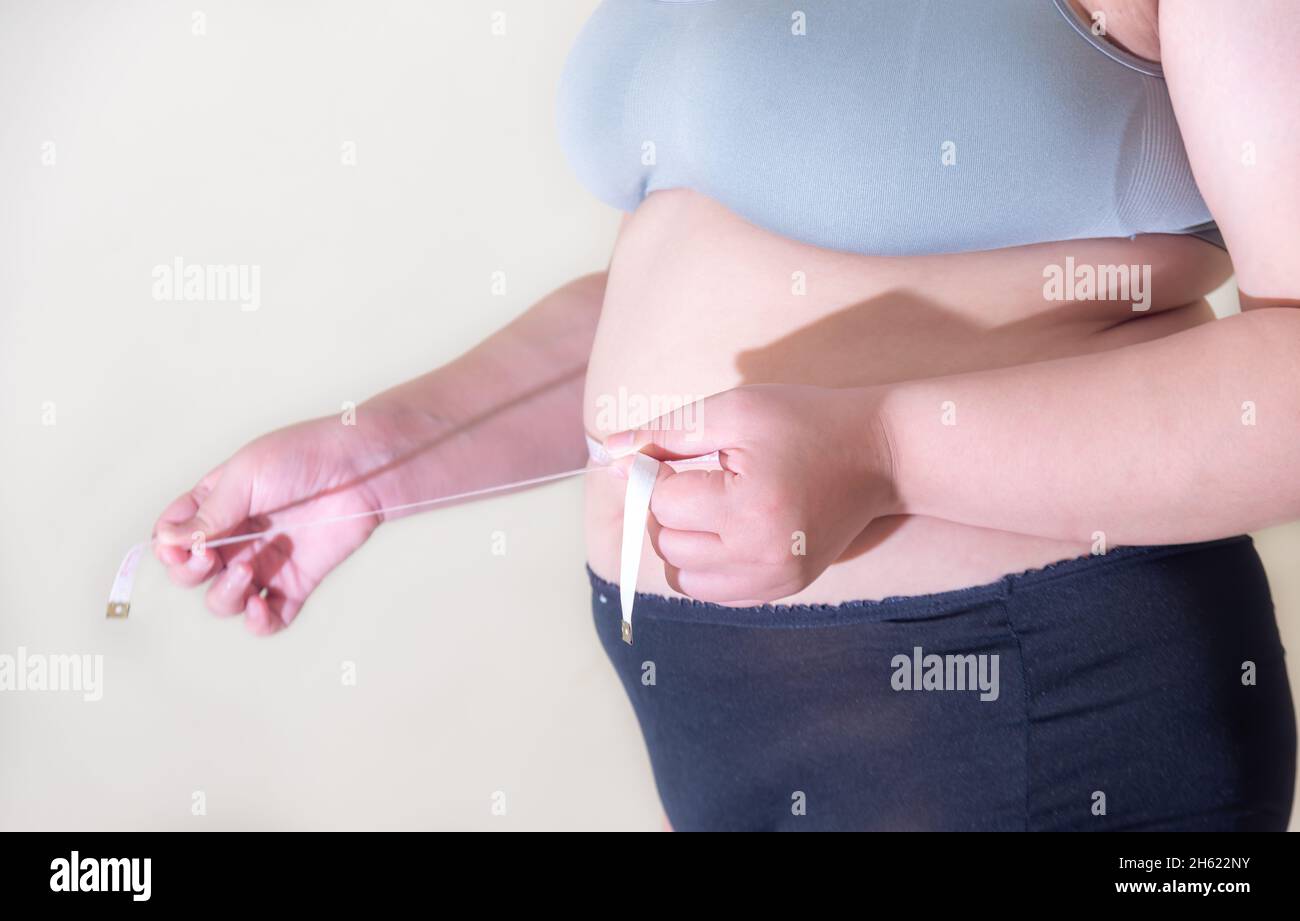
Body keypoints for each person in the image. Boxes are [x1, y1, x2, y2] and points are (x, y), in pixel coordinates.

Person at [154, 0, 1298, 830]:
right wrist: (377, 458)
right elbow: (703, 301)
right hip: (717, 724)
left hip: (1030, 713)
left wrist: (884, 455)